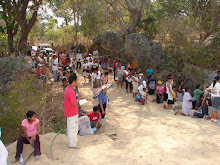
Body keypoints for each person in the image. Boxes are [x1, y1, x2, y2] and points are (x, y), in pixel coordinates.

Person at [64, 74, 80, 148]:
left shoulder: (67, 88)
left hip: (68, 111)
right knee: (73, 128)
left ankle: (71, 143)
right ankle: (73, 144)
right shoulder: (71, 91)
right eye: (76, 81)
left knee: (70, 127)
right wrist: (79, 99)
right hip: (72, 112)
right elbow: (74, 103)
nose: (77, 82)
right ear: (73, 81)